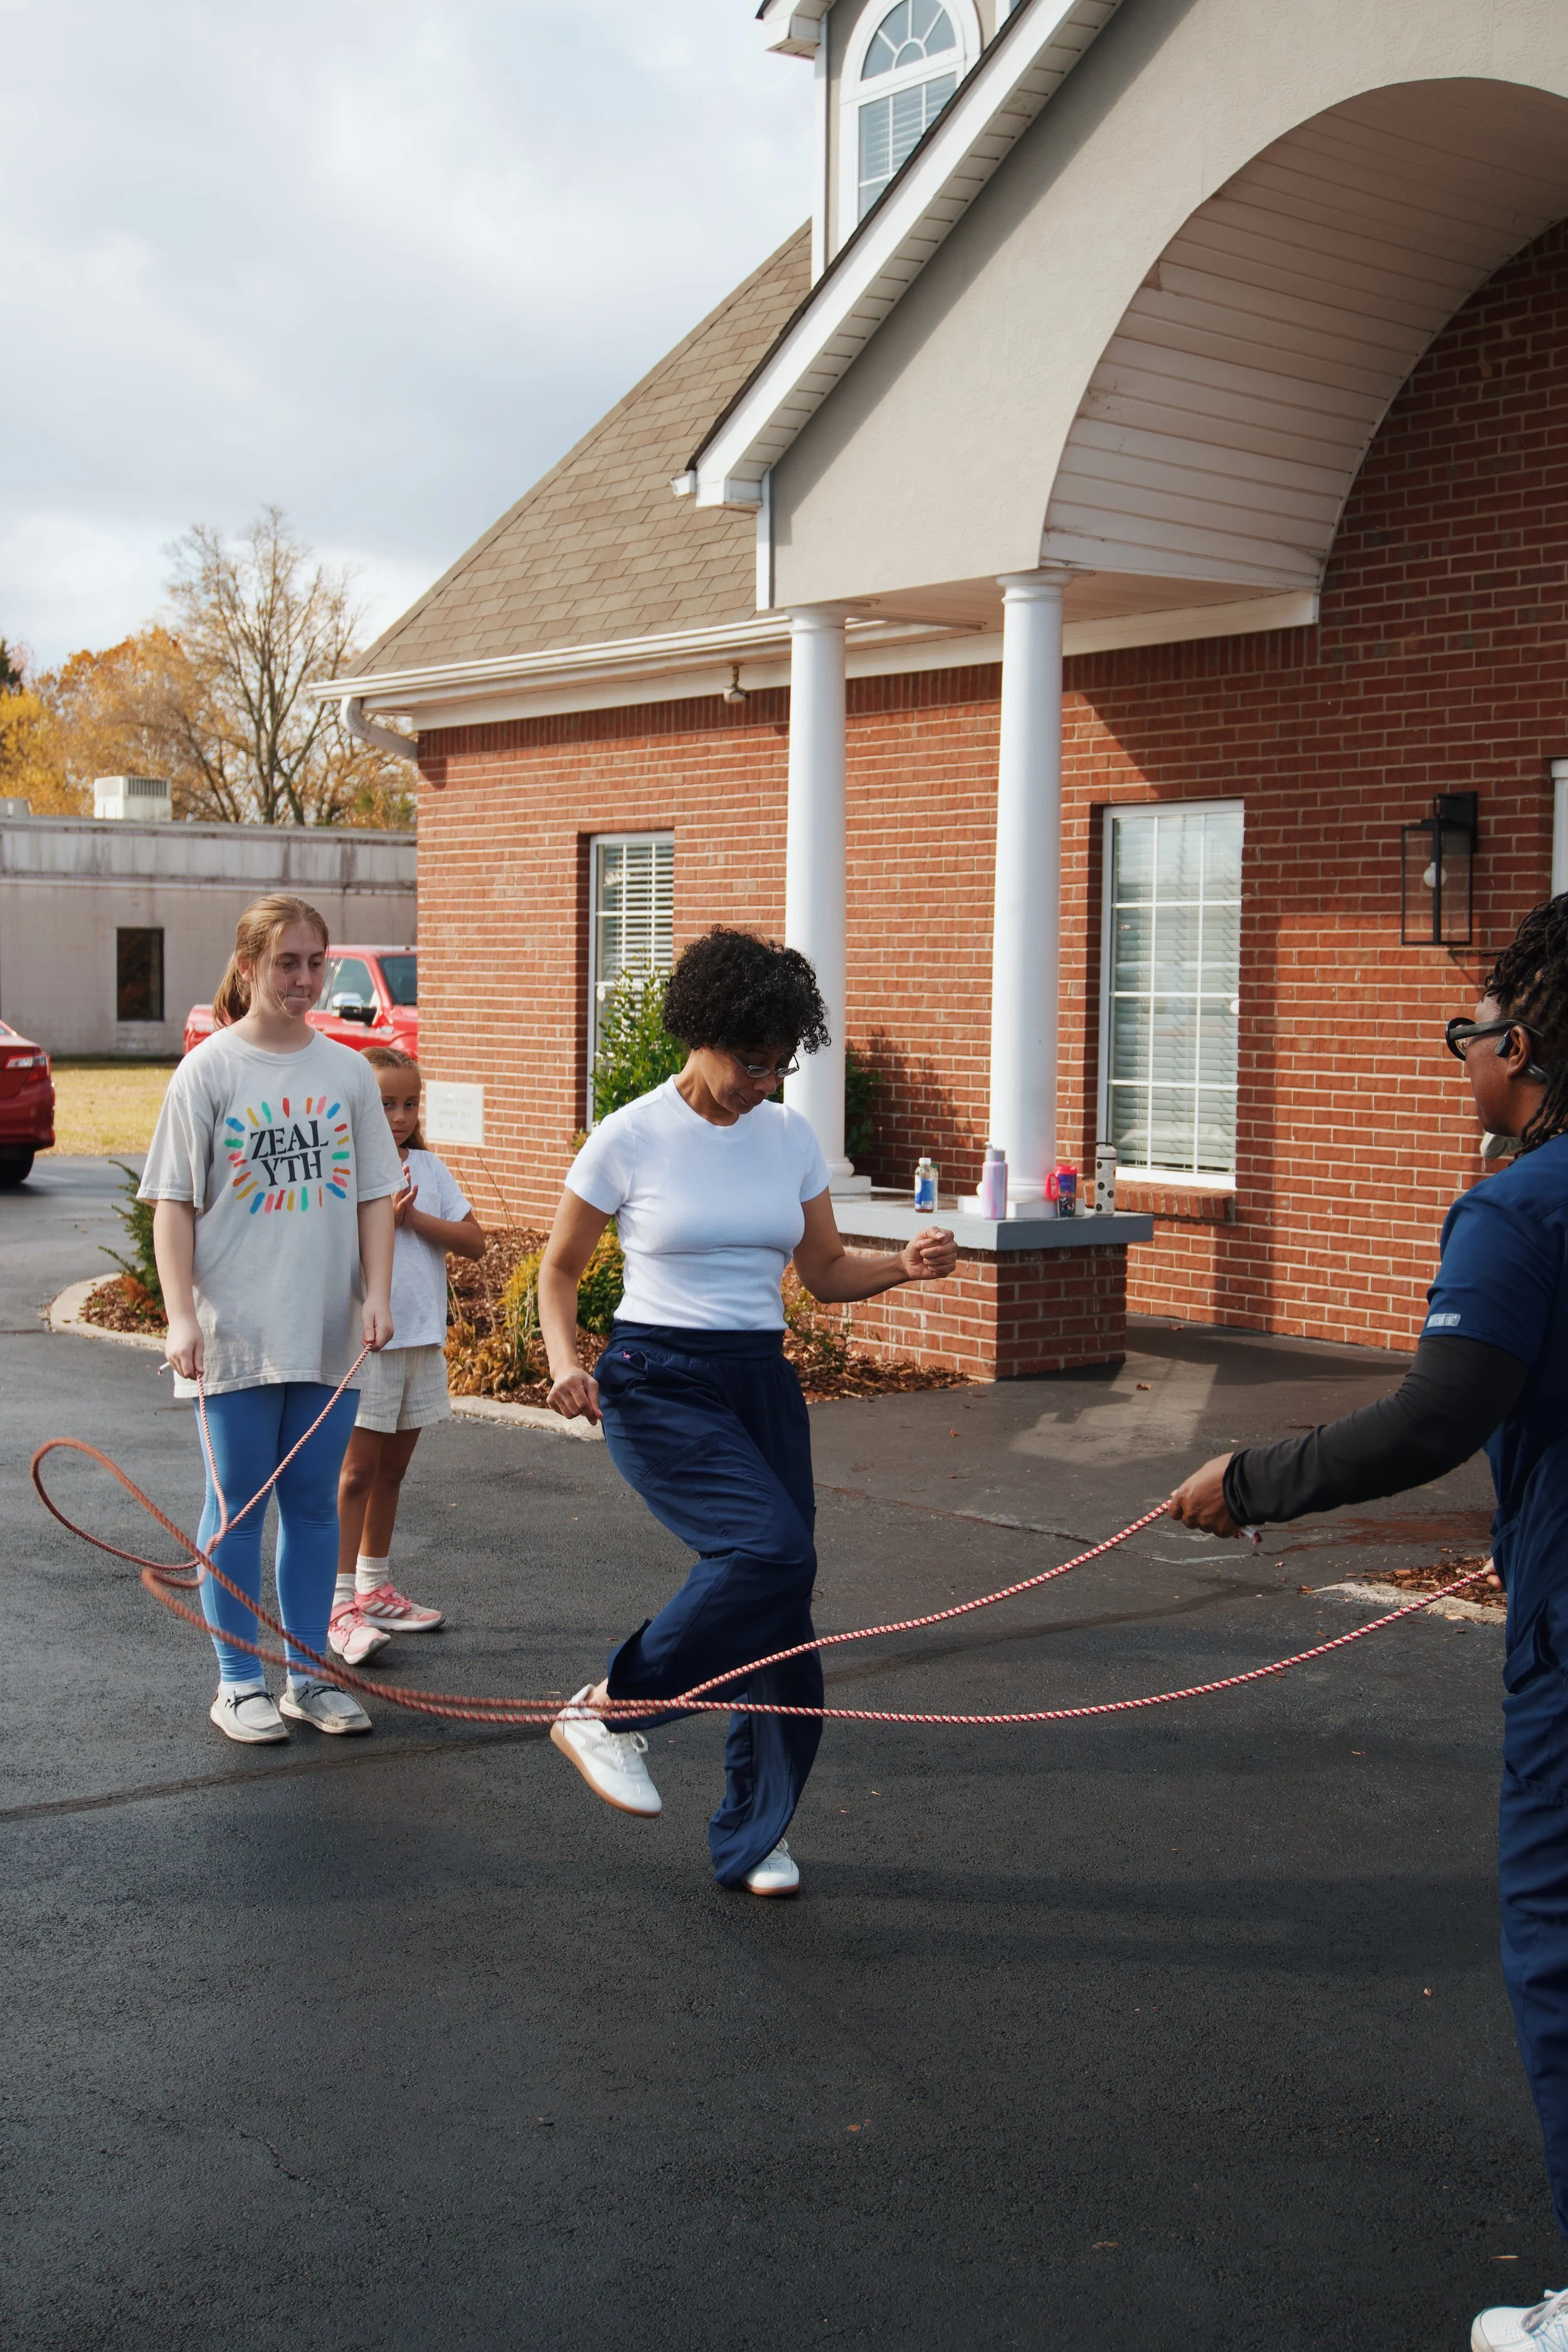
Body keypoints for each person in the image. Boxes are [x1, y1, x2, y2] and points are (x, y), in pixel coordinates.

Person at [1166, 895, 1568, 2352]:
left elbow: (1435, 1419)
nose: (1460, 1057)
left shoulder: (1518, 1209)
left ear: (1520, 1048)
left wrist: (1251, 1481)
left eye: (1468, 1033)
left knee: (1560, 1946)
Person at [539, 926, 958, 1896]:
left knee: (780, 1606)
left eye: (778, 1063)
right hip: (658, 1374)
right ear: (701, 1030)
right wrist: (566, 1362)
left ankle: (754, 1831)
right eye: (747, 1060)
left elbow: (819, 1273)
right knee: (772, 1553)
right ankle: (608, 1710)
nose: (761, 1081)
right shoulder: (630, 1133)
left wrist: (901, 1264)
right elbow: (559, 1270)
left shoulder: (787, 1136)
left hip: (758, 1377)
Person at [142, 894, 405, 1744]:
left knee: (316, 1510)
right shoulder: (210, 1071)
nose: (301, 978)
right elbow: (172, 1207)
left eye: (313, 962)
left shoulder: (347, 1072)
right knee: (237, 1512)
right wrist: (181, 1318)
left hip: (324, 1330)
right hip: (235, 1335)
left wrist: (376, 1293)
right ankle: (237, 1680)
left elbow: (373, 1194)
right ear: (249, 964)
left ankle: (307, 1675)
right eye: (285, 961)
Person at [329, 1046, 485, 1665]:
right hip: (371, 1343)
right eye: (385, 1102)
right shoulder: (344, 1169)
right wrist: (382, 1226)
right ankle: (338, 1601)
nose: (398, 1115)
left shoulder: (428, 1168)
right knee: (355, 1475)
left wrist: (416, 1218)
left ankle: (374, 1586)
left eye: (409, 1103)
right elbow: (335, 1257)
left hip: (421, 1340)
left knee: (391, 1473)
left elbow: (474, 1241)